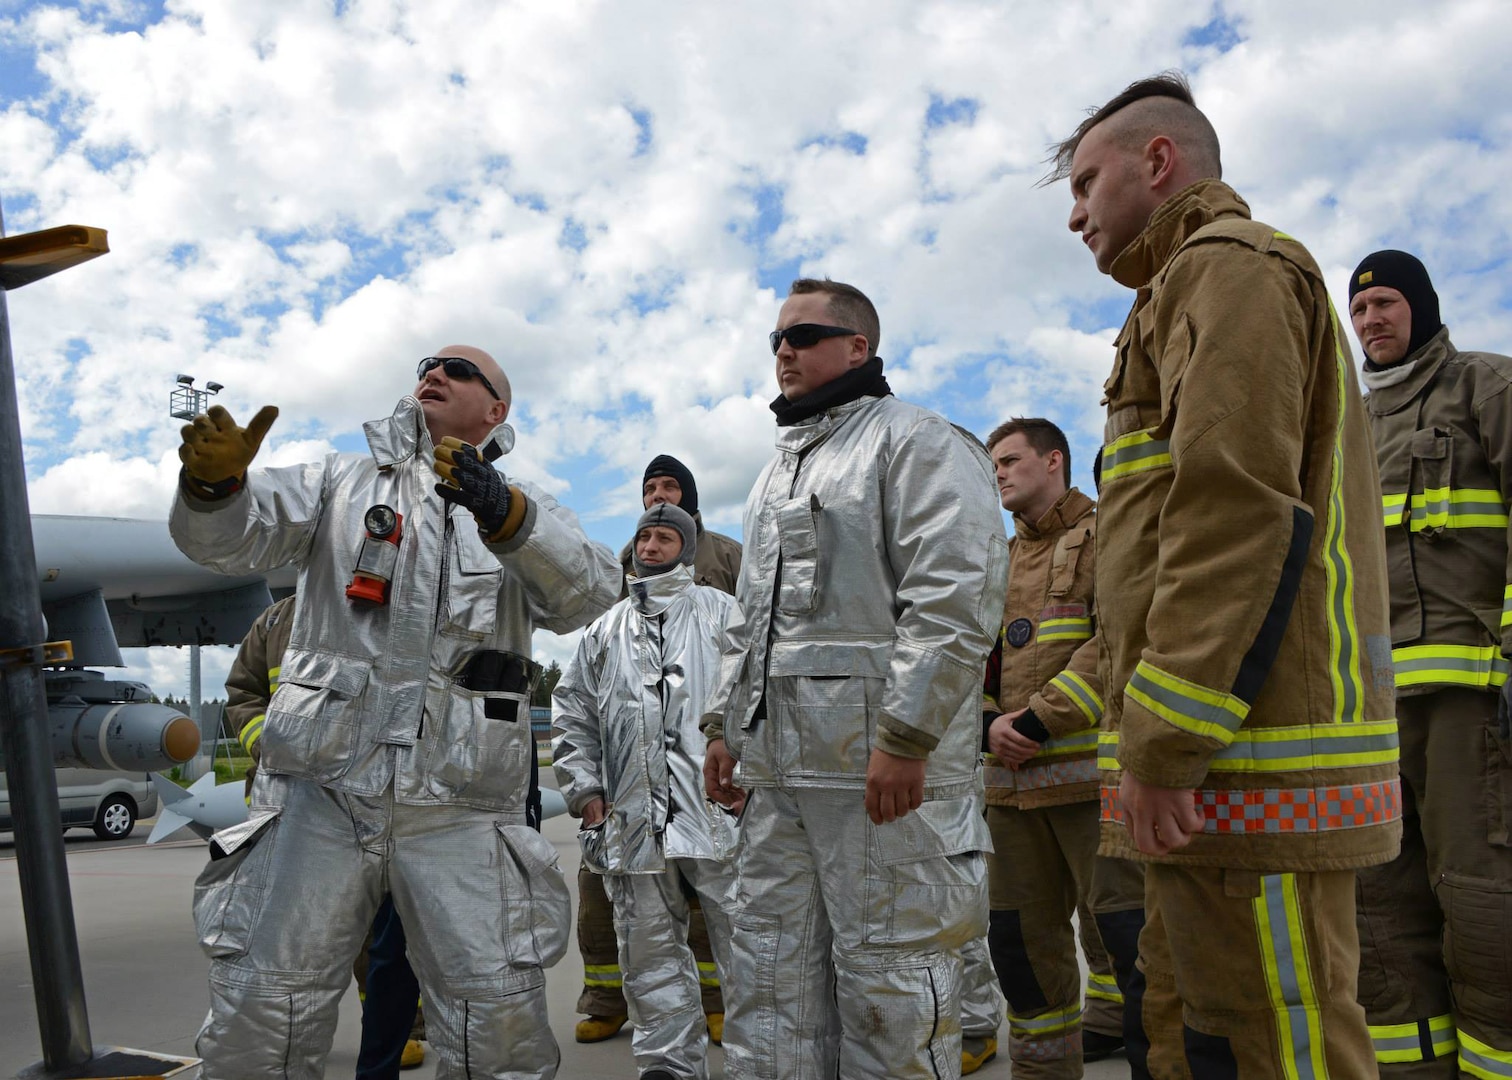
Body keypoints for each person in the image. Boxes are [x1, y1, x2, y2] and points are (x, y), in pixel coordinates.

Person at [1050, 74, 1400, 1077]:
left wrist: (1165, 743)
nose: (1075, 216)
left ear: (1158, 162)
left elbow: (1234, 512)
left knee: (1273, 1043)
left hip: (1246, 769)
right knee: (1202, 1032)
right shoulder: (1175, 295)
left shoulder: (1231, 270)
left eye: (1086, 184)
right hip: (1211, 775)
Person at [171, 345, 620, 1079]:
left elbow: (592, 596)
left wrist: (503, 513)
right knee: (263, 1004)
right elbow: (226, 539)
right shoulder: (337, 482)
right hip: (317, 795)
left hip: (464, 805)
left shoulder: (521, 504)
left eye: (461, 370)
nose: (436, 371)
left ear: (497, 411)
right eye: (428, 363)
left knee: (494, 1015)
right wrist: (215, 485)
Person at [702, 278, 1009, 1078]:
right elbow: (749, 623)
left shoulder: (918, 441)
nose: (783, 351)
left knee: (893, 991)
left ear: (857, 348)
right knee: (769, 984)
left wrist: (907, 737)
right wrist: (721, 730)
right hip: (779, 779)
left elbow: (953, 599)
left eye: (802, 335)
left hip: (881, 782)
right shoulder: (775, 474)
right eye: (776, 339)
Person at [1347, 249, 1512, 1078]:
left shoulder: (1488, 386)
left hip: (1470, 707)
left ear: (1422, 306)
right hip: (1370, 716)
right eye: (1361, 309)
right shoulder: (1345, 428)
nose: (1371, 320)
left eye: (1384, 302)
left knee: (1482, 904)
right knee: (1380, 912)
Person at [962, 418, 1145, 1077]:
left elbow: (1119, 638)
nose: (999, 474)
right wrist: (986, 724)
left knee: (1132, 943)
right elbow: (974, 654)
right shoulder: (997, 558)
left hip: (1092, 789)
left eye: (1011, 460)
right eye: (993, 466)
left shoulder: (1109, 533)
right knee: (1018, 951)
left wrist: (1037, 721)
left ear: (1054, 460)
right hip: (1010, 795)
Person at [554, 503, 741, 1080]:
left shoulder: (722, 612)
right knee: (649, 954)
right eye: (644, 536)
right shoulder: (604, 630)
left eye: (665, 537)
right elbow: (572, 713)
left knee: (752, 951)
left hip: (720, 819)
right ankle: (667, 1065)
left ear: (686, 548)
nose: (651, 545)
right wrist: (585, 790)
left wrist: (749, 783)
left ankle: (762, 1062)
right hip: (632, 824)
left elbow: (754, 697)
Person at [226, 594, 428, 1075]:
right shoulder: (274, 619)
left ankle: (399, 1032)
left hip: (373, 798)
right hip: (294, 800)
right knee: (294, 939)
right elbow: (243, 693)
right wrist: (269, 747)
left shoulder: (385, 601)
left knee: (384, 936)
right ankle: (282, 1048)